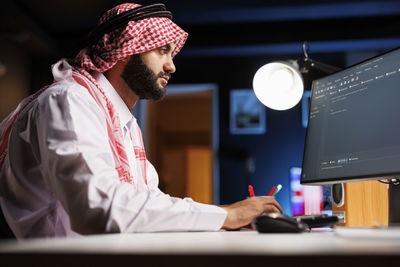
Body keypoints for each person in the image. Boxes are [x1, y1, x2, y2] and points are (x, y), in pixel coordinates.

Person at [0, 3, 281, 239]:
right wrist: (226, 215)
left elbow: (147, 201)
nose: (172, 66)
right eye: (162, 51)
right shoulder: (69, 100)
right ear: (126, 48)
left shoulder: (122, 121)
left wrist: (226, 215)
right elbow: (99, 208)